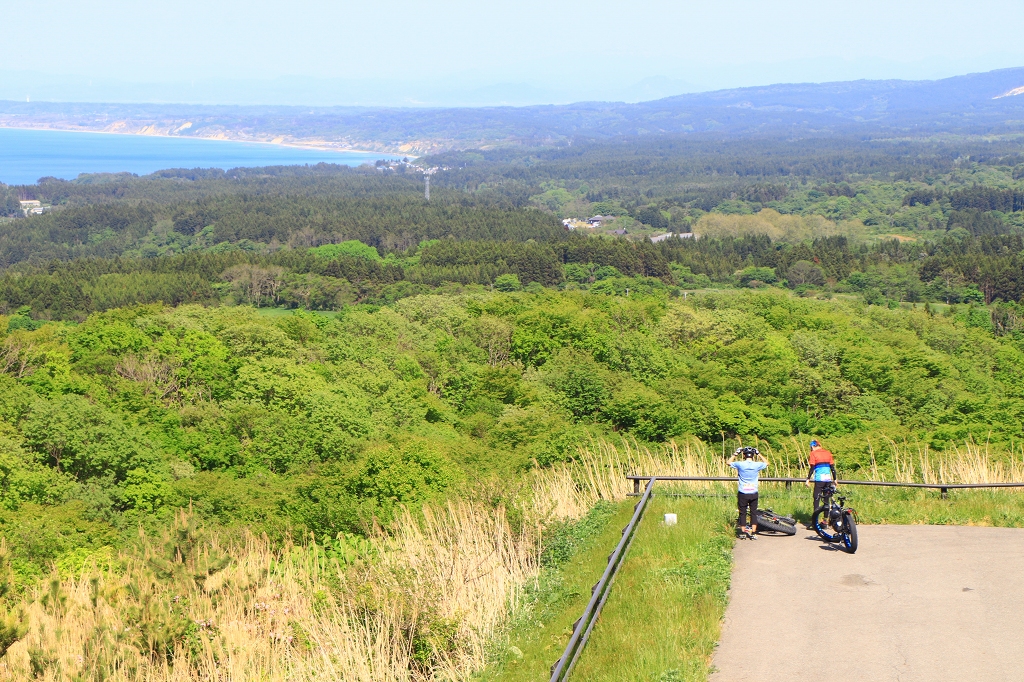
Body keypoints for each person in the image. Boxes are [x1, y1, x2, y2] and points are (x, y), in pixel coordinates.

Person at [729, 446, 768, 538]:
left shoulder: (740, 464)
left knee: (743, 512)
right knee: (753, 512)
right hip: (753, 492)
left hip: (743, 492)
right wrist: (759, 454)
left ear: (744, 455)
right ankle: (753, 533)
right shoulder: (757, 465)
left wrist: (736, 453)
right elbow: (767, 463)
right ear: (753, 455)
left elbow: (728, 462)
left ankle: (743, 532)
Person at [804, 439, 838, 512]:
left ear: (813, 446)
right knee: (826, 499)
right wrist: (835, 479)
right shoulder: (828, 453)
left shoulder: (813, 453)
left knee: (816, 498)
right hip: (828, 479)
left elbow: (812, 468)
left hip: (819, 479)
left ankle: (815, 519)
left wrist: (808, 479)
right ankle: (825, 520)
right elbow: (832, 468)